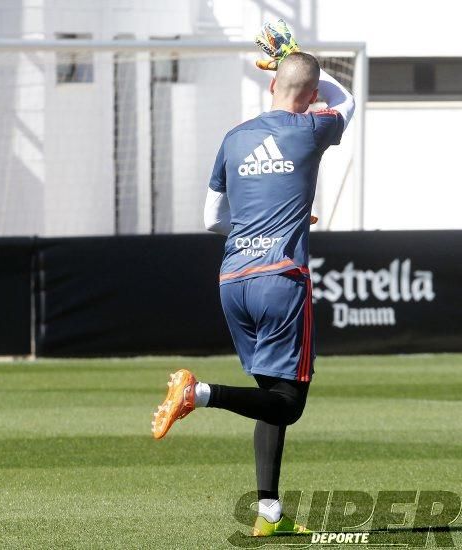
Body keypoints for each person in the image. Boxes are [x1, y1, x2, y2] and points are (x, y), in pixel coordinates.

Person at [152, 20, 355, 537]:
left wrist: (261, 222)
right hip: (281, 279)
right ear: (309, 99)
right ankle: (198, 394)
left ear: (269, 84)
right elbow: (344, 96)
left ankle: (269, 513)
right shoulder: (313, 127)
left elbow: (210, 219)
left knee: (270, 393)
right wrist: (294, 55)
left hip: (233, 280)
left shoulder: (234, 137)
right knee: (288, 403)